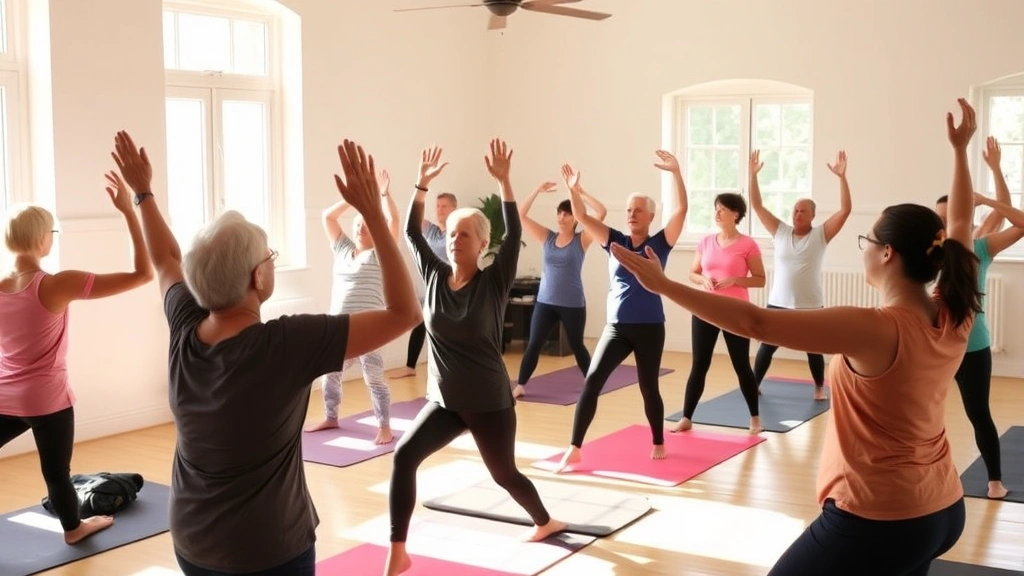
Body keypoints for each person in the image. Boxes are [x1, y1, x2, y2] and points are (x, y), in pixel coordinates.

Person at [610, 99, 981, 576]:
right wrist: (959, 152)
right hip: (942, 508)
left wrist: (664, 285)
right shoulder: (955, 312)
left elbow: (757, 325)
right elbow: (963, 226)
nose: (863, 248)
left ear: (887, 254)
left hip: (878, 515)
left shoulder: (874, 327)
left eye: (866, 241)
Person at [112, 131, 420, 575]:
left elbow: (164, 261)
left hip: (192, 540)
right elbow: (404, 313)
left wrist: (142, 193)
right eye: (271, 256)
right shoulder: (286, 345)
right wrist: (372, 211)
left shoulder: (184, 326)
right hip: (268, 549)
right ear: (259, 277)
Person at [385, 140, 567, 576]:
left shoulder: (494, 281)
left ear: (483, 243)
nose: (453, 241)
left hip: (488, 402)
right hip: (445, 403)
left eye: (463, 234)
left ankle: (545, 521)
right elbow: (412, 233)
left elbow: (516, 235)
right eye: (450, 234)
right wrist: (421, 185)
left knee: (505, 476)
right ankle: (397, 552)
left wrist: (505, 180)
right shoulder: (432, 274)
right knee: (403, 457)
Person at [0, 174, 153, 545]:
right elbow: (143, 274)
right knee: (56, 473)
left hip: (5, 397)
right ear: (41, 239)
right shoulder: (57, 283)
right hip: (47, 400)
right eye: (52, 232)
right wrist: (129, 212)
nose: (54, 237)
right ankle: (74, 529)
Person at [553, 150, 688, 472]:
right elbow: (583, 218)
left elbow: (682, 209)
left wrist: (676, 173)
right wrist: (573, 190)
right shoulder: (613, 240)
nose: (632, 214)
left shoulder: (660, 242)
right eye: (628, 210)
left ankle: (658, 440)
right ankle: (574, 446)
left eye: (638, 210)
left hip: (650, 326)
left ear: (650, 217)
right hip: (617, 327)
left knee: (648, 386)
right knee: (593, 382)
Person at [933, 137, 1020, 500]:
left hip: (974, 345)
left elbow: (1017, 218)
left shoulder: (982, 246)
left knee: (978, 414)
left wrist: (991, 186)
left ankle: (995, 481)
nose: (945, 226)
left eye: (950, 218)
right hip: (935, 344)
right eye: (939, 220)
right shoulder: (930, 253)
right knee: (927, 417)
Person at [305, 168, 401, 444]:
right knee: (329, 374)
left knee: (373, 378)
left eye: (366, 224)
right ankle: (331, 416)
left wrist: (383, 194)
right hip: (339, 325)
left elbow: (394, 220)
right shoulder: (343, 249)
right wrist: (354, 198)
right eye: (357, 223)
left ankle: (384, 425)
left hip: (369, 326)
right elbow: (328, 217)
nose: (360, 227)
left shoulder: (382, 251)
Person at [748, 149, 852, 401]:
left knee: (813, 348)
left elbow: (845, 210)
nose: (796, 214)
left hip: (809, 303)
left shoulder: (821, 235)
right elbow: (758, 206)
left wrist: (842, 178)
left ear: (813, 216)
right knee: (767, 346)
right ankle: (754, 384)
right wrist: (753, 175)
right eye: (795, 210)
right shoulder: (781, 232)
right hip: (779, 302)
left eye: (802, 211)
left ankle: (818, 387)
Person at [673, 192, 766, 434]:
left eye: (722, 209)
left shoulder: (748, 244)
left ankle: (755, 419)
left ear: (735, 215)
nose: (717, 212)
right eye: (715, 208)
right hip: (705, 310)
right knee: (699, 365)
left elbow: (760, 280)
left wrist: (736, 280)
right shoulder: (705, 242)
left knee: (741, 365)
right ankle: (686, 417)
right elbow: (692, 272)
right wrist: (702, 280)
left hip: (735, 312)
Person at [511, 179, 607, 398]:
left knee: (577, 346)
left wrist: (580, 192)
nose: (561, 217)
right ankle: (520, 385)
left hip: (572, 304)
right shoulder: (547, 237)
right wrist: (536, 189)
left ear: (575, 219)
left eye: (567, 214)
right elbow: (520, 214)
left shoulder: (582, 239)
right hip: (545, 302)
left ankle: (593, 385)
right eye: (559, 213)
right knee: (534, 343)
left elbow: (601, 212)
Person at [393, 191, 457, 379]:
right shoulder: (431, 230)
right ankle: (410, 367)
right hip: (431, 287)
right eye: (437, 206)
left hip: (450, 289)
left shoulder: (456, 231)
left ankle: (450, 366)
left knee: (446, 329)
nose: (440, 210)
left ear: (454, 208)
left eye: (444, 206)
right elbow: (411, 220)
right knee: (420, 323)